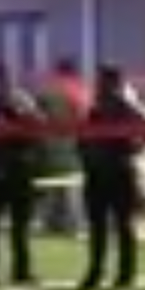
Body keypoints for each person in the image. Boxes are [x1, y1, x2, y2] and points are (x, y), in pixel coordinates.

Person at [78, 63, 145, 290]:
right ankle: (95, 271)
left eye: (103, 81)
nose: (99, 85)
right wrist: (85, 154)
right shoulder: (95, 109)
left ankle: (125, 274)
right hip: (96, 174)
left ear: (114, 83)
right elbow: (84, 136)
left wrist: (133, 149)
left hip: (118, 173)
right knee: (98, 227)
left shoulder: (126, 107)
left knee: (122, 225)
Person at [0, 63, 44, 288]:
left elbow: (38, 125)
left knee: (18, 224)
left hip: (17, 167)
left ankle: (20, 270)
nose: (2, 82)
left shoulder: (21, 99)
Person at [38, 57, 87, 236]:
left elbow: (39, 112)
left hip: (51, 141)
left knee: (53, 184)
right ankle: (72, 224)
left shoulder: (49, 90)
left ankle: (51, 222)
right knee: (72, 184)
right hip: (71, 141)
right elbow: (83, 115)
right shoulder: (77, 90)